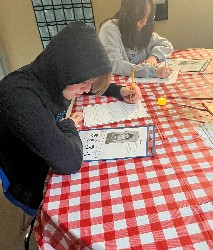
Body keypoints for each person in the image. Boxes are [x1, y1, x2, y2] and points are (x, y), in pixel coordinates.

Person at [0, 21, 142, 210]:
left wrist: (119, 90)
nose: (87, 90)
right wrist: (68, 125)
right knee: (110, 197)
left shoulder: (50, 75)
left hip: (48, 150)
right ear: (65, 69)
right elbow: (69, 162)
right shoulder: (20, 95)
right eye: (84, 83)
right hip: (32, 179)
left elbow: (86, 82)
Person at [98, 0, 173, 79]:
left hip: (139, 80)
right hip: (119, 84)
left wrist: (154, 57)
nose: (144, 23)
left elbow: (166, 45)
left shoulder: (144, 28)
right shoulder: (110, 29)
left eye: (147, 17)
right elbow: (115, 65)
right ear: (128, 16)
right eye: (140, 19)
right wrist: (152, 71)